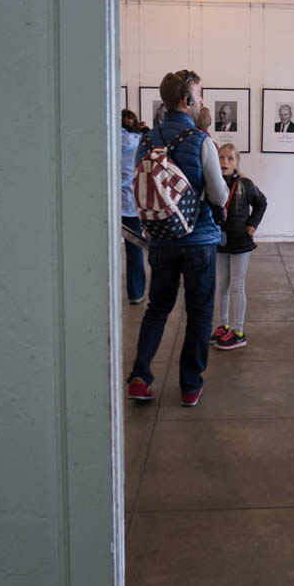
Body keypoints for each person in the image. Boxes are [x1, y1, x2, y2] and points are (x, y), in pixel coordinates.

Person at [126, 70, 229, 407]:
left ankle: (140, 377)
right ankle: (189, 385)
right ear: (187, 101)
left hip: (161, 239)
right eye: (198, 95)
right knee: (200, 313)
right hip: (199, 240)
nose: (200, 100)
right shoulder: (201, 140)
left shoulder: (146, 138)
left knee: (157, 309)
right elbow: (218, 193)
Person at [211, 143, 267, 350]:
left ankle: (238, 331)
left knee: (237, 285)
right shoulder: (212, 183)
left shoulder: (245, 184)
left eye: (230, 158)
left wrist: (252, 224)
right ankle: (222, 326)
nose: (224, 162)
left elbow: (261, 202)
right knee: (222, 286)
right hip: (220, 241)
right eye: (221, 158)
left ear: (236, 163)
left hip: (240, 242)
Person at [121, 108, 147, 304]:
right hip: (131, 206)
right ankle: (136, 293)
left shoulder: (112, 141)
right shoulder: (140, 142)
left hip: (111, 206)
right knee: (134, 250)